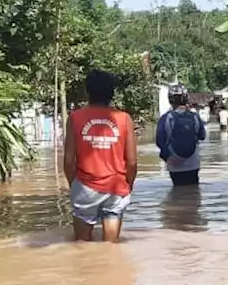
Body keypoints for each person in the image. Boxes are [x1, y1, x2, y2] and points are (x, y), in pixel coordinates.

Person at [64, 70, 138, 243]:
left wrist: (73, 185)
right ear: (112, 93)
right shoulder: (124, 118)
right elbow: (132, 162)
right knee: (110, 247)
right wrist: (129, 184)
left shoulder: (75, 118)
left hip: (84, 187)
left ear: (87, 92)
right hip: (116, 187)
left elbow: (68, 161)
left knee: (82, 245)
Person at [156, 92, 207, 187]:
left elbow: (159, 141)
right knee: (194, 192)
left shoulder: (166, 118)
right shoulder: (195, 116)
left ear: (170, 100)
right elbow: (202, 136)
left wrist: (167, 156)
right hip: (193, 162)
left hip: (174, 162)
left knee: (178, 191)